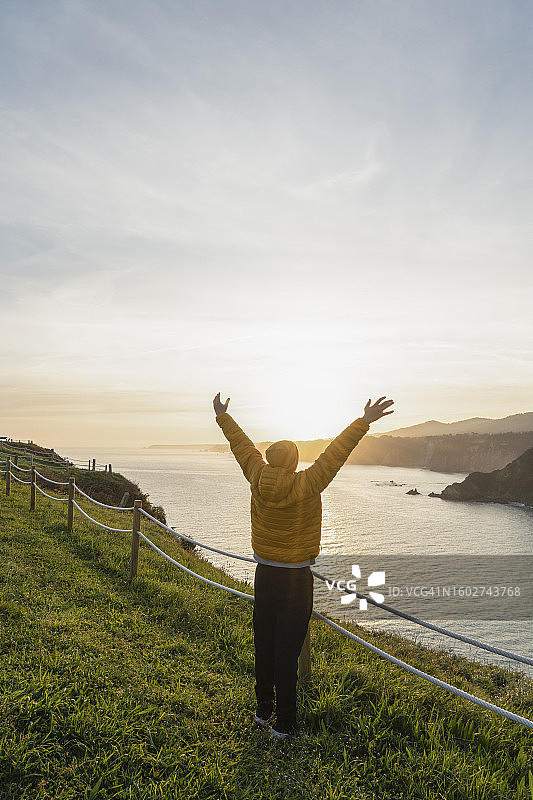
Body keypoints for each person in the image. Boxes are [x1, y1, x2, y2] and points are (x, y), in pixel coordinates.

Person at [213, 392, 394, 739]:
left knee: (263, 645)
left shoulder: (256, 475)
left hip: (264, 575)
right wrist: (364, 422)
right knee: (287, 652)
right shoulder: (307, 484)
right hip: (296, 579)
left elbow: (242, 446)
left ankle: (263, 710)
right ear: (294, 463)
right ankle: (285, 723)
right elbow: (334, 455)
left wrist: (223, 416)